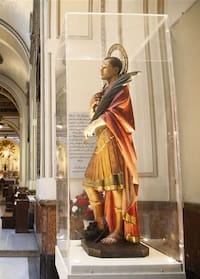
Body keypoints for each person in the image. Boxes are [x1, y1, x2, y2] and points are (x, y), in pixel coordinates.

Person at [82, 56, 140, 244]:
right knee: (89, 184)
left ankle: (118, 231)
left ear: (116, 70)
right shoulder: (102, 93)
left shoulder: (122, 89)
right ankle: (101, 225)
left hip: (114, 142)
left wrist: (94, 124)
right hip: (102, 143)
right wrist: (93, 106)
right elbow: (96, 116)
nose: (101, 69)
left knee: (115, 187)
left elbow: (118, 113)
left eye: (105, 66)